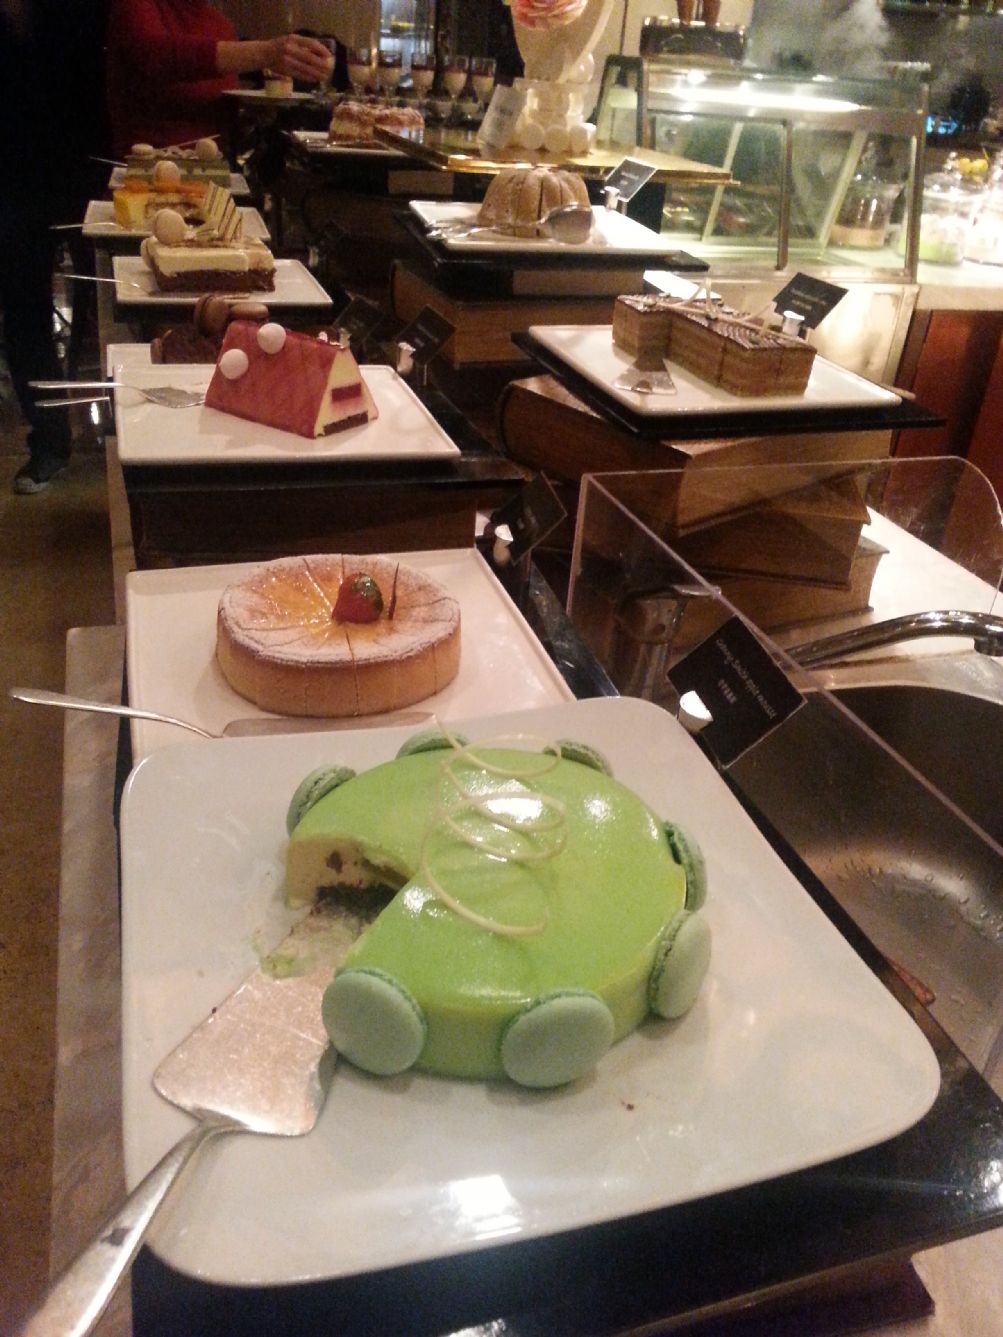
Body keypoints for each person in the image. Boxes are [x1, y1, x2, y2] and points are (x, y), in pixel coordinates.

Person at [0, 0, 112, 494]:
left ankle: (123, 431)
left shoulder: (82, 11)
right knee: (23, 307)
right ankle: (48, 442)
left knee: (112, 304)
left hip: (86, 166)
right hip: (13, 171)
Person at [105, 0, 335, 156]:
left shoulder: (220, 24)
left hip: (212, 177)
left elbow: (218, 119)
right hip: (144, 174)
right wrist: (266, 52)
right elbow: (155, 55)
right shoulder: (137, 6)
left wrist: (253, 114)